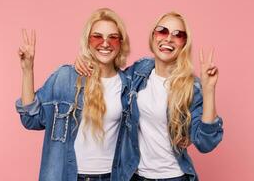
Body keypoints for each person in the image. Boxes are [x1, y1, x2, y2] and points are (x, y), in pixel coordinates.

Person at [75, 11, 224, 181]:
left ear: (184, 43)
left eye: (178, 35)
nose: (168, 38)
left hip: (174, 177)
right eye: (162, 31)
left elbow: (205, 143)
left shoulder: (191, 86)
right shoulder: (138, 73)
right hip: (136, 176)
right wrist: (85, 60)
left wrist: (209, 89)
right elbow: (109, 76)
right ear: (153, 36)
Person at [15, 8, 131, 181]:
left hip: (113, 176)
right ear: (88, 41)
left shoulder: (130, 84)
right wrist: (27, 70)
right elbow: (31, 119)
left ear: (121, 43)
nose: (105, 43)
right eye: (97, 36)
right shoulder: (66, 77)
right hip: (69, 175)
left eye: (113, 37)